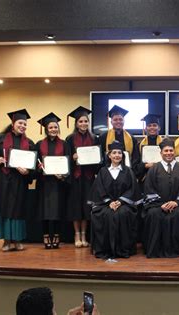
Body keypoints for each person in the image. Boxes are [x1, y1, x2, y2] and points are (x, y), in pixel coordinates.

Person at [0, 109, 35, 251]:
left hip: (19, 182)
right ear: (13, 123)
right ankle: (6, 241)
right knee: (4, 209)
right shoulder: (0, 139)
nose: (23, 126)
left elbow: (34, 163)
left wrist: (28, 171)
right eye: (20, 123)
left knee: (18, 210)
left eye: (25, 124)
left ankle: (17, 240)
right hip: (2, 181)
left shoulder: (29, 143)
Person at [142, 138, 179, 258]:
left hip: (178, 205)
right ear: (161, 153)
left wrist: (176, 202)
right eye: (165, 151)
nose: (168, 153)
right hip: (158, 205)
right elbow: (149, 189)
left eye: (171, 150)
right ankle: (156, 250)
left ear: (174, 152)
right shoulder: (154, 169)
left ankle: (177, 250)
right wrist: (160, 204)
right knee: (153, 214)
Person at [88, 140, 141, 259]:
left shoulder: (128, 171)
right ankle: (105, 249)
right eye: (114, 153)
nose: (117, 155)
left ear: (123, 156)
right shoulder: (103, 171)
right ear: (109, 155)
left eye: (119, 153)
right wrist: (109, 202)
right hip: (105, 204)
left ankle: (123, 249)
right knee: (106, 214)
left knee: (122, 214)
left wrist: (120, 201)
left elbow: (132, 189)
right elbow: (99, 189)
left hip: (125, 204)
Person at [65, 106, 98, 248]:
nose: (84, 124)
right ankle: (76, 234)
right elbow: (65, 158)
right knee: (76, 207)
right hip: (76, 177)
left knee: (86, 207)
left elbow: (98, 159)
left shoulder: (94, 138)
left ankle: (84, 234)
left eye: (86, 121)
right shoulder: (70, 139)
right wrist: (72, 158)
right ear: (76, 123)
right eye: (81, 121)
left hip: (89, 178)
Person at [35, 113, 70, 249]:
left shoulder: (64, 144)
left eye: (55, 127)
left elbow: (68, 164)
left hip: (58, 184)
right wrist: (40, 167)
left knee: (57, 210)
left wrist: (63, 175)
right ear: (46, 129)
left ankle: (56, 235)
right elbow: (36, 162)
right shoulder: (39, 145)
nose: (53, 129)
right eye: (51, 127)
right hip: (44, 183)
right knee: (44, 211)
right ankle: (45, 236)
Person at [98, 105, 140, 175]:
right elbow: (101, 156)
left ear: (124, 121)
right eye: (115, 120)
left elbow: (135, 158)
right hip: (109, 172)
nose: (118, 122)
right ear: (111, 122)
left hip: (126, 172)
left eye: (120, 119)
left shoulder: (132, 138)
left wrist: (131, 171)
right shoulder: (103, 137)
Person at [136, 113, 163, 182]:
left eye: (154, 125)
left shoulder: (164, 143)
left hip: (162, 176)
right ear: (145, 129)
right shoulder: (139, 145)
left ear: (159, 128)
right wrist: (146, 165)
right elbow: (136, 164)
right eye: (149, 125)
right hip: (145, 177)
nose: (152, 128)